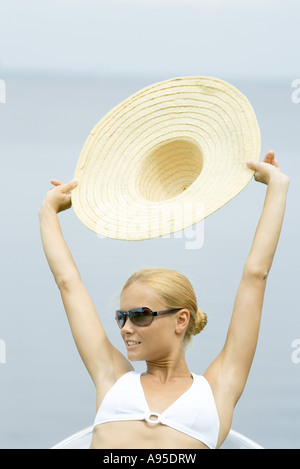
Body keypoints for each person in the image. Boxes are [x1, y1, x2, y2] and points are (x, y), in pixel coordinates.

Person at [39, 151, 289, 449]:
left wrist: (278, 186)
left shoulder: (217, 389)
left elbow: (255, 275)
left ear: (181, 320)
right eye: (122, 317)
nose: (125, 328)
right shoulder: (112, 377)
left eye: (140, 315)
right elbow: (68, 283)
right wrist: (48, 211)